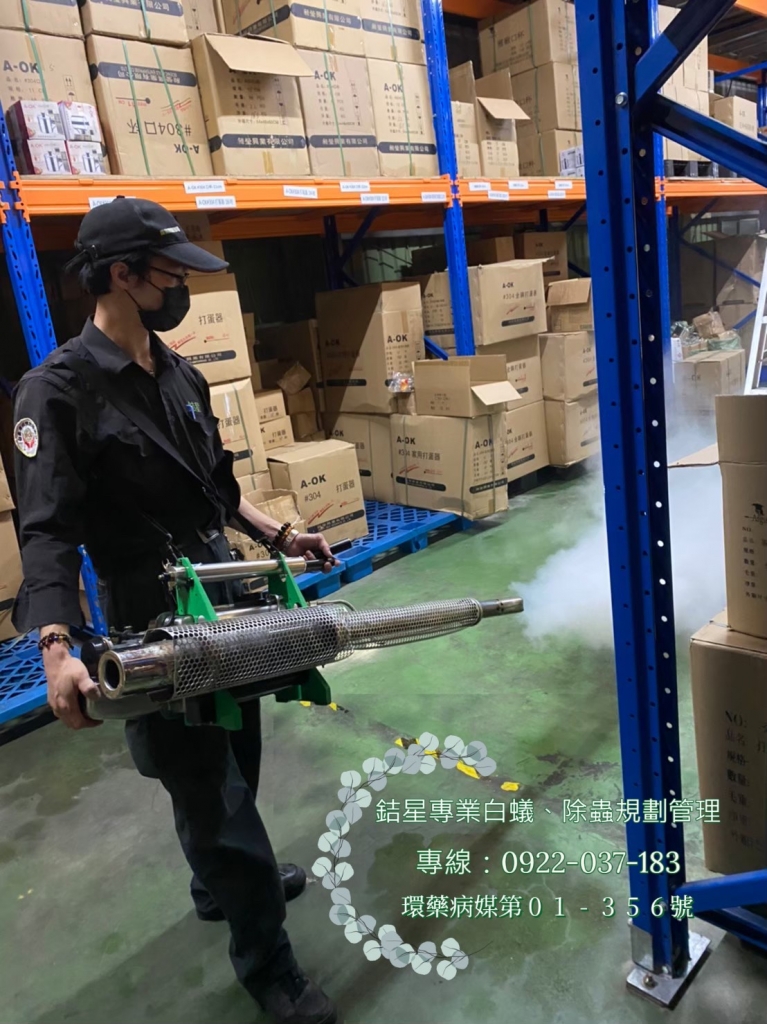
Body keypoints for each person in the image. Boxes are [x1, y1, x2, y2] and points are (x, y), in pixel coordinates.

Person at [11, 198, 339, 1024]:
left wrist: (281, 535)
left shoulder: (181, 375)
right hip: (147, 620)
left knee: (238, 751)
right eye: (169, 274)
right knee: (211, 795)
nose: (181, 289)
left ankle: (214, 886)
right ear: (121, 276)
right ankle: (269, 965)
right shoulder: (56, 392)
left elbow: (216, 489)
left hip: (219, 597)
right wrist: (57, 648)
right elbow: (46, 532)